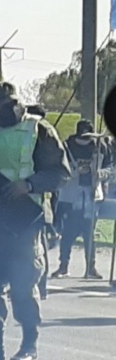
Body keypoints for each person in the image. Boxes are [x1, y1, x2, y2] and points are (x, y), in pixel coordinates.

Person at [0, 82, 71, 360]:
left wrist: (29, 184)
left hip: (24, 218)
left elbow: (61, 172)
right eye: (0, 106)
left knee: (22, 284)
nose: (8, 110)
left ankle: (29, 342)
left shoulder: (39, 130)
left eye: (11, 104)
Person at [51, 119, 112, 279]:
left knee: (89, 233)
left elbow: (110, 169)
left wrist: (101, 174)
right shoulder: (66, 146)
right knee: (68, 232)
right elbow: (58, 168)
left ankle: (91, 267)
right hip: (71, 194)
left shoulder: (101, 147)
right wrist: (73, 171)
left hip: (91, 196)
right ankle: (63, 266)